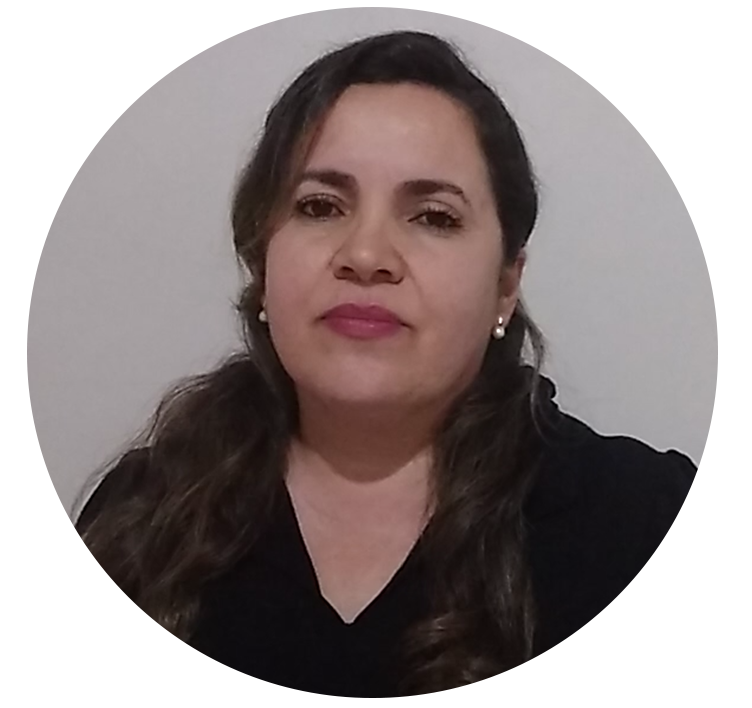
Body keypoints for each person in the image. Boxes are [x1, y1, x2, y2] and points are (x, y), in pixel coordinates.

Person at [27, 30, 717, 697]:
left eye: (434, 217)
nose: (365, 255)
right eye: (320, 206)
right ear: (262, 265)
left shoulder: (653, 533)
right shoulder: (150, 511)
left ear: (506, 285)